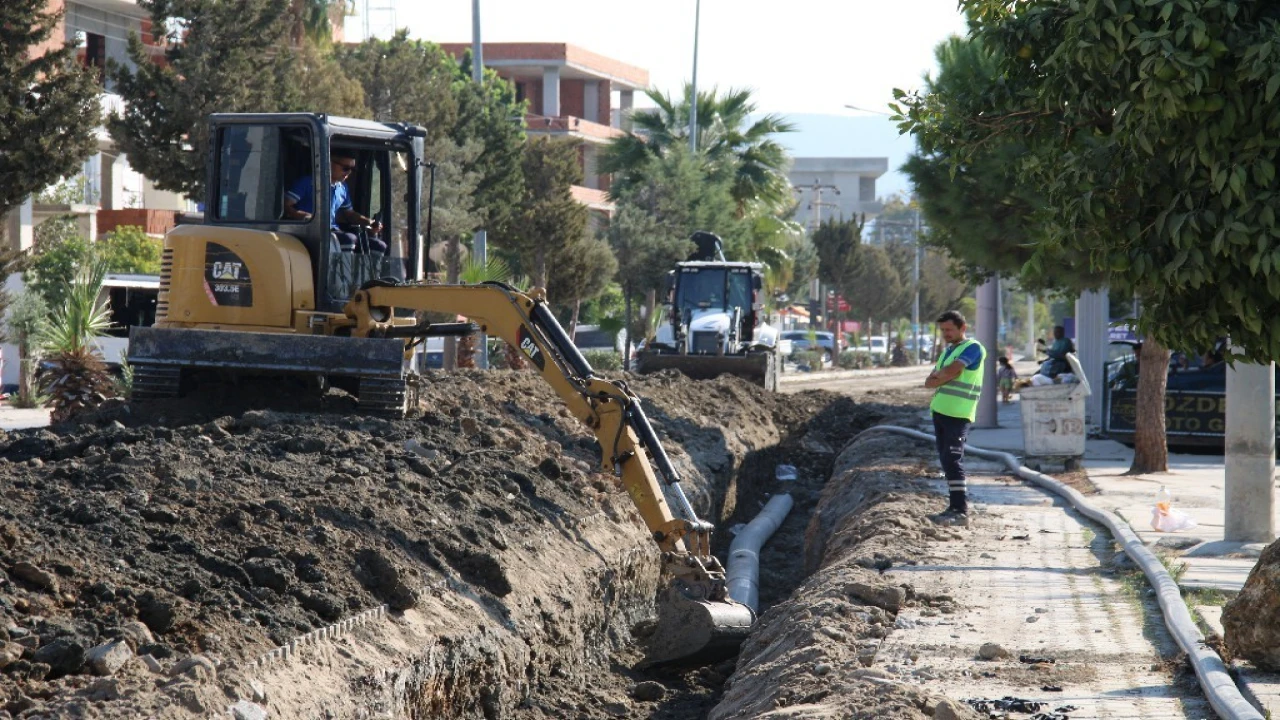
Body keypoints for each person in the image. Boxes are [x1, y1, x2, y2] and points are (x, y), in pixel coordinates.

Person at [924, 309, 986, 526]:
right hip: (941, 411)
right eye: (942, 330)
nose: (946, 333)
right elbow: (929, 381)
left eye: (949, 329)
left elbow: (954, 371)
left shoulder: (973, 348)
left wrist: (943, 375)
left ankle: (960, 510)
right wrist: (944, 375)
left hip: (958, 413)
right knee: (946, 460)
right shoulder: (947, 352)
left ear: (963, 328)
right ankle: (953, 507)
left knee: (952, 458)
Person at [283, 151, 386, 252]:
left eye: (352, 169)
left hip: (332, 231)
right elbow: (285, 206)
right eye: (345, 168)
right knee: (348, 239)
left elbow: (349, 214)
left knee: (378, 245)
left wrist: (369, 222)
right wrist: (307, 217)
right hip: (309, 232)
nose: (349, 172)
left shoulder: (343, 188)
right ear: (329, 163)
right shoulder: (307, 183)